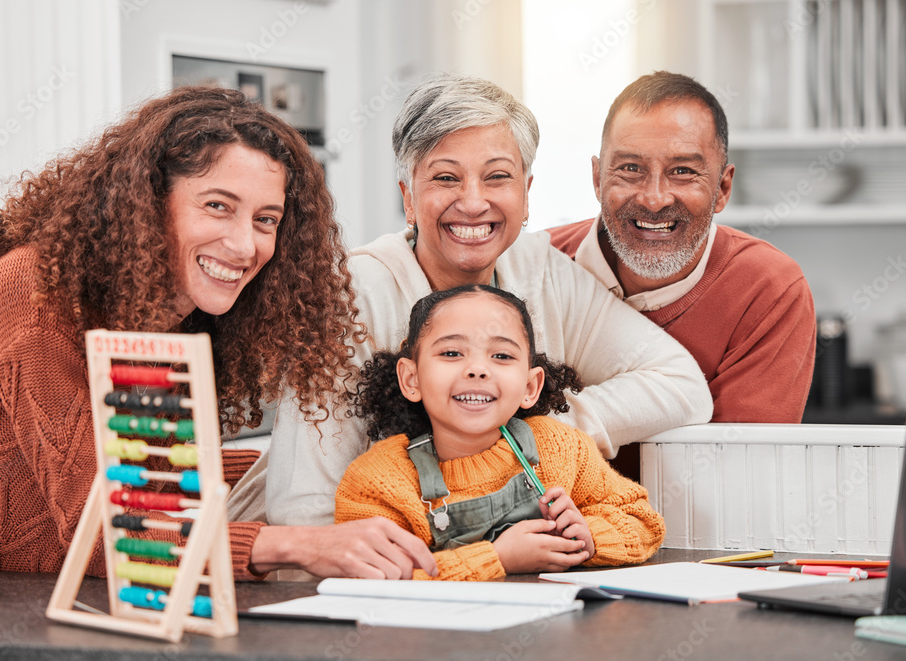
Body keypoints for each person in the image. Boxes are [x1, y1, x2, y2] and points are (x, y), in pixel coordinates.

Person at [0, 86, 437, 581]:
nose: (244, 244)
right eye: (217, 206)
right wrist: (291, 543)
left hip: (3, 588)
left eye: (266, 219)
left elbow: (149, 477)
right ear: (146, 199)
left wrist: (301, 463)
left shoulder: (182, 321)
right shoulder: (32, 291)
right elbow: (107, 536)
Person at [253, 74, 713, 530]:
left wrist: (519, 432)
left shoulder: (541, 269)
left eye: (497, 177)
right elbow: (304, 511)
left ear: (526, 194)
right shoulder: (351, 296)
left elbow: (681, 387)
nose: (473, 203)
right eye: (446, 178)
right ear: (408, 198)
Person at [335, 285, 665, 581]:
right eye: (451, 353)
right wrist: (498, 558)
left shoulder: (561, 447)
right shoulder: (376, 481)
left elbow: (644, 522)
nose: (477, 369)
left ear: (529, 385)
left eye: (501, 355)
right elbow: (372, 578)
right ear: (411, 379)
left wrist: (589, 536)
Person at [549, 71, 816, 423]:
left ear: (722, 188)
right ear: (598, 179)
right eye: (631, 168)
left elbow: (738, 466)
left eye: (683, 171)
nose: (655, 199)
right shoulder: (539, 265)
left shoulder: (768, 289)